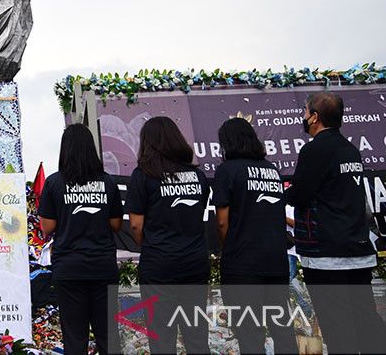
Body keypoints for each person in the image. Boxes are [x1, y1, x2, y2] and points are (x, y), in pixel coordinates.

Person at [285, 92, 386, 354]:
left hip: (327, 254)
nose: (303, 117)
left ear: (315, 117)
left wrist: (283, 192)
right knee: (365, 319)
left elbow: (300, 194)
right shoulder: (350, 149)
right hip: (358, 250)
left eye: (306, 112)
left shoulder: (315, 149)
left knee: (337, 326)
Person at [212, 117, 297, 354]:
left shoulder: (227, 170)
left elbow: (221, 221)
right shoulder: (271, 170)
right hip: (275, 261)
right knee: (282, 327)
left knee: (249, 330)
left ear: (227, 143)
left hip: (243, 263)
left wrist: (228, 248)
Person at [125, 116, 209, 354]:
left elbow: (135, 226)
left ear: (147, 143)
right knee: (196, 334)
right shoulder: (198, 176)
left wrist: (153, 247)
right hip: (194, 263)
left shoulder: (143, 175)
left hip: (159, 267)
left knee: (162, 337)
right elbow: (197, 214)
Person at [38, 123, 123, 354]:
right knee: (109, 336)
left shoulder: (54, 182)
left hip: (69, 268)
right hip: (103, 266)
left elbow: (47, 227)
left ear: (65, 150)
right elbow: (116, 224)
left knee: (75, 339)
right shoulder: (107, 182)